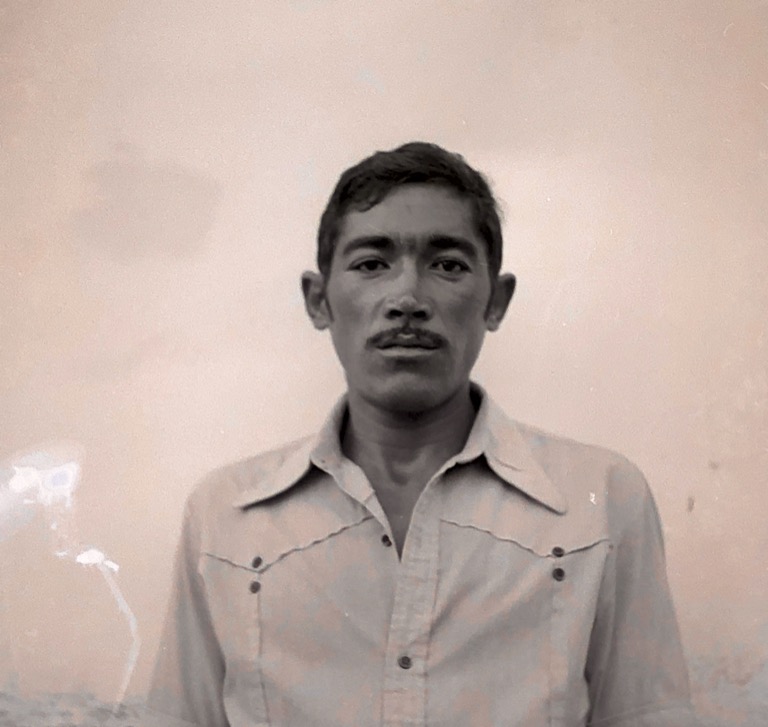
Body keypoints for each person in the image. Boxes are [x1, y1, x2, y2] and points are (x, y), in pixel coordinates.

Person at [143, 142, 695, 726]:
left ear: (496, 301)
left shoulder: (601, 499)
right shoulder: (226, 514)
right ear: (318, 300)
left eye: (448, 265)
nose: (407, 299)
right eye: (371, 264)